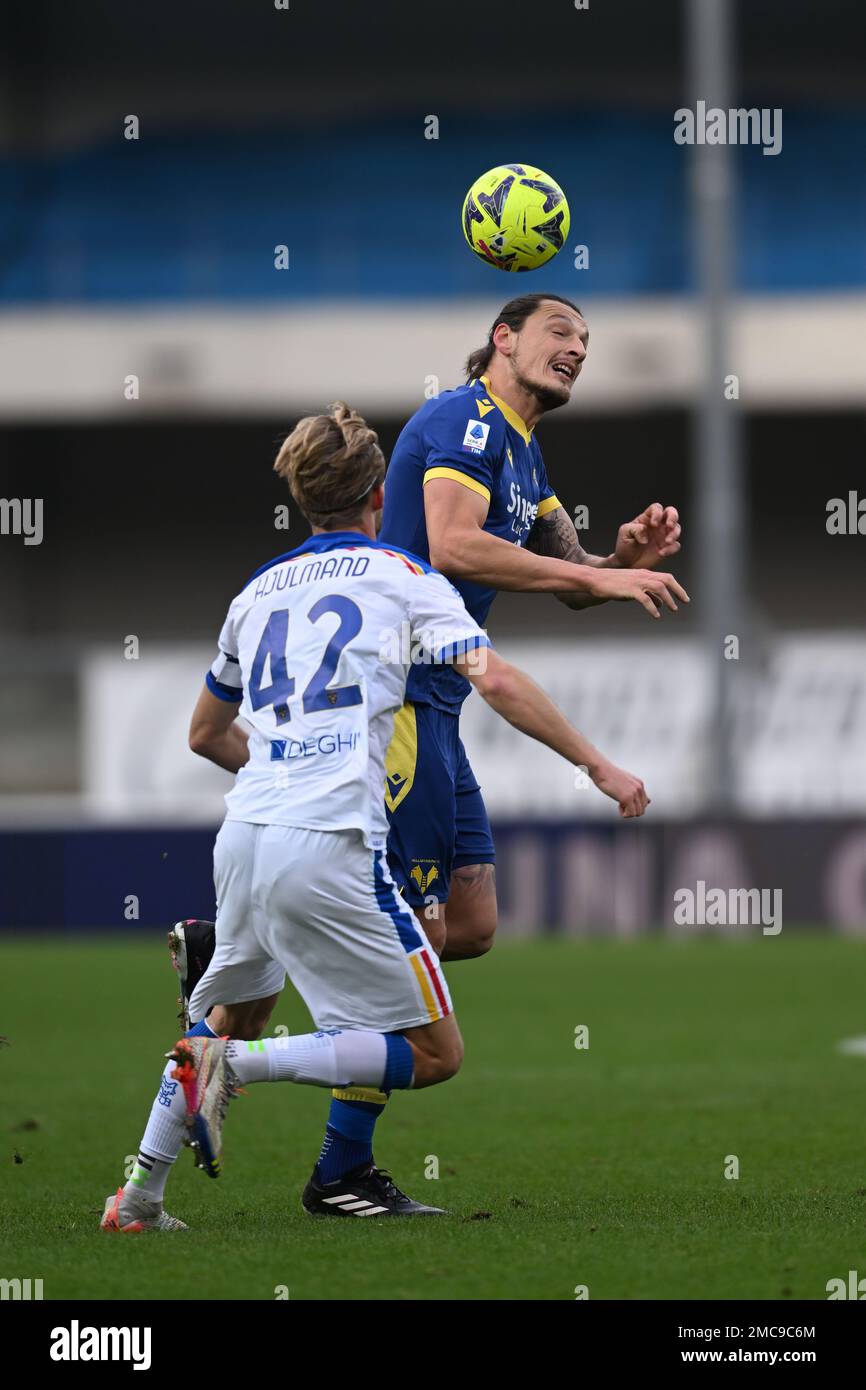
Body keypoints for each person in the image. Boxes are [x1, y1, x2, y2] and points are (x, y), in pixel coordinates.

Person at [101, 401, 651, 1229]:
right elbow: (495, 680)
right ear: (379, 501)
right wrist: (598, 764)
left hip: (244, 836)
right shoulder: (404, 579)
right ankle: (239, 1068)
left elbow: (206, 735)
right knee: (432, 1053)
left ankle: (139, 1196)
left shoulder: (256, 593)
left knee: (230, 1014)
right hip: (332, 845)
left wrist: (287, 768)